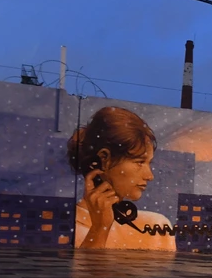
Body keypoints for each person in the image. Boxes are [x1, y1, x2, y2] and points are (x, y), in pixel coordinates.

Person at [68, 106, 175, 251]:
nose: (149, 176)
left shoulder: (157, 226)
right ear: (104, 159)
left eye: (149, 163)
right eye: (139, 162)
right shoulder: (62, 228)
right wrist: (100, 228)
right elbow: (85, 274)